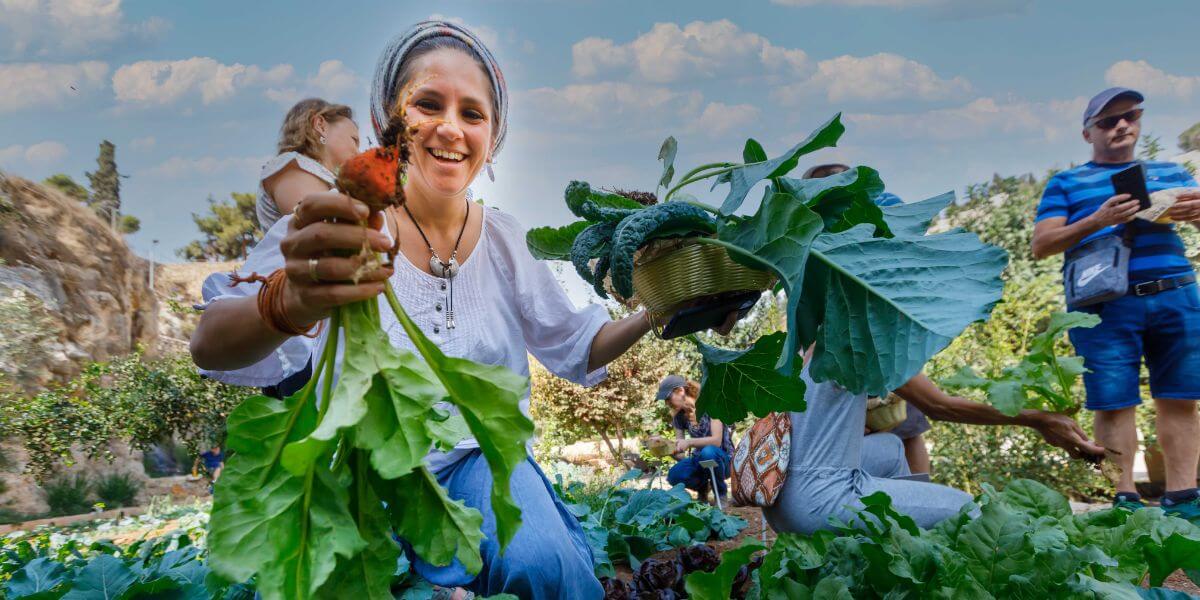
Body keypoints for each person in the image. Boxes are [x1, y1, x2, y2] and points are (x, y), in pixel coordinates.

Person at [190, 20, 741, 599]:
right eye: (428, 104)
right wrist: (288, 302)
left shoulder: (505, 243)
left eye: (473, 114)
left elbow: (579, 345)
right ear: (388, 121)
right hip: (364, 473)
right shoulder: (340, 227)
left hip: (482, 465)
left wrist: (661, 309)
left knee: (542, 565)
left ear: (492, 137)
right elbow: (210, 342)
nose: (450, 128)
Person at [1031, 87, 1200, 515]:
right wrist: (1098, 220)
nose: (1121, 125)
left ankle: (1183, 499)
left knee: (1181, 397)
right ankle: (1124, 500)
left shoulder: (1172, 172)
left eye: (1130, 116)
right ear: (1088, 134)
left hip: (1176, 293)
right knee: (1112, 402)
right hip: (1103, 306)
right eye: (1107, 121)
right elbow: (1042, 245)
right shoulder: (1065, 183)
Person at [762, 351, 1106, 536]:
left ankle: (896, 557)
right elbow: (941, 406)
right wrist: (1038, 419)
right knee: (972, 512)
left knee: (891, 448)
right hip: (820, 502)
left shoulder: (811, 340)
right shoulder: (859, 335)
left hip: (778, 497)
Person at [802, 162, 932, 476]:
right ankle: (896, 497)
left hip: (884, 335)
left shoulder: (882, 214)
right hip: (854, 343)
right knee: (879, 428)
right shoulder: (817, 236)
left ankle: (920, 495)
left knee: (905, 423)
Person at [257, 98, 359, 231]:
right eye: (354, 140)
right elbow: (319, 229)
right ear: (320, 125)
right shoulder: (290, 165)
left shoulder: (325, 177)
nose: (358, 151)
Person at [653, 376, 734, 503]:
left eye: (668, 398)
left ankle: (721, 494)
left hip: (724, 460)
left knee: (708, 452)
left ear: (680, 391)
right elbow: (681, 455)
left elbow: (717, 441)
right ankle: (702, 488)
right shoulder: (679, 417)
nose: (667, 403)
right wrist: (666, 447)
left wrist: (689, 442)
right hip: (699, 461)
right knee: (674, 474)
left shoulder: (711, 404)